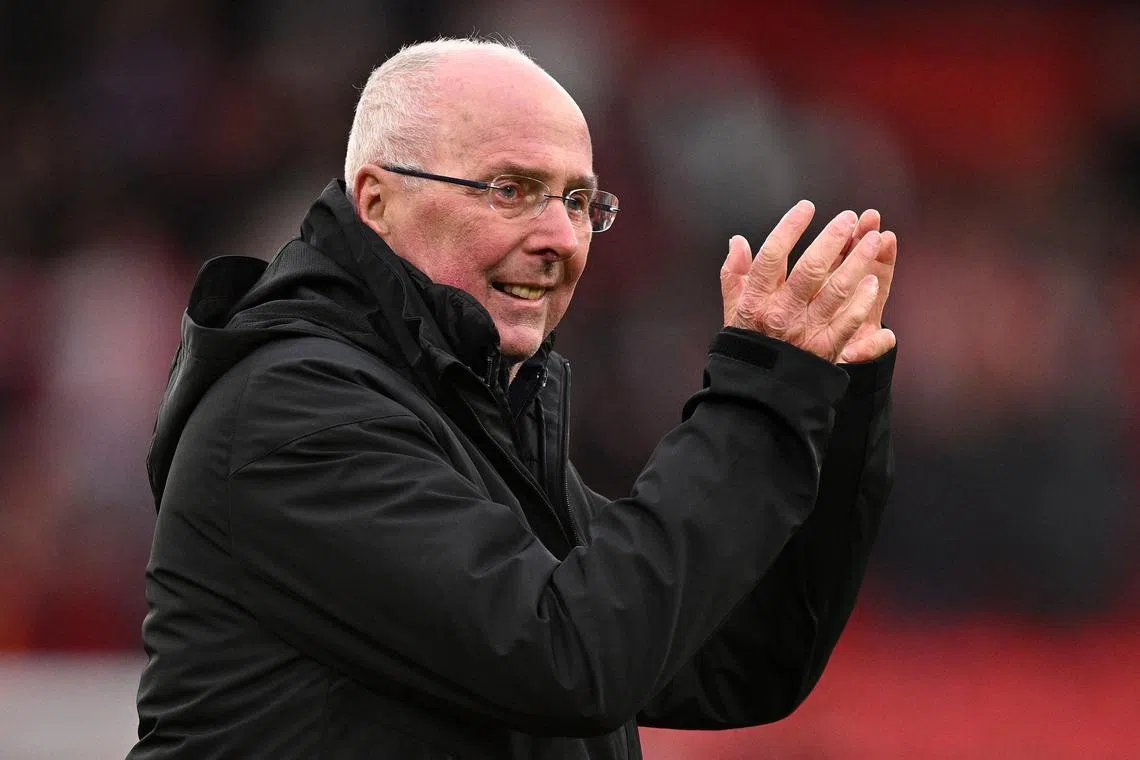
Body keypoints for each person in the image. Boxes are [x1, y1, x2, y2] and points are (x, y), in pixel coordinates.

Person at [129, 37, 898, 760]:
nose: (561, 237)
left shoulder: (471, 414)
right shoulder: (293, 409)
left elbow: (745, 656)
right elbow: (575, 657)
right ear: (377, 200)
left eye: (578, 202)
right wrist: (760, 395)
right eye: (512, 190)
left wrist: (830, 396)